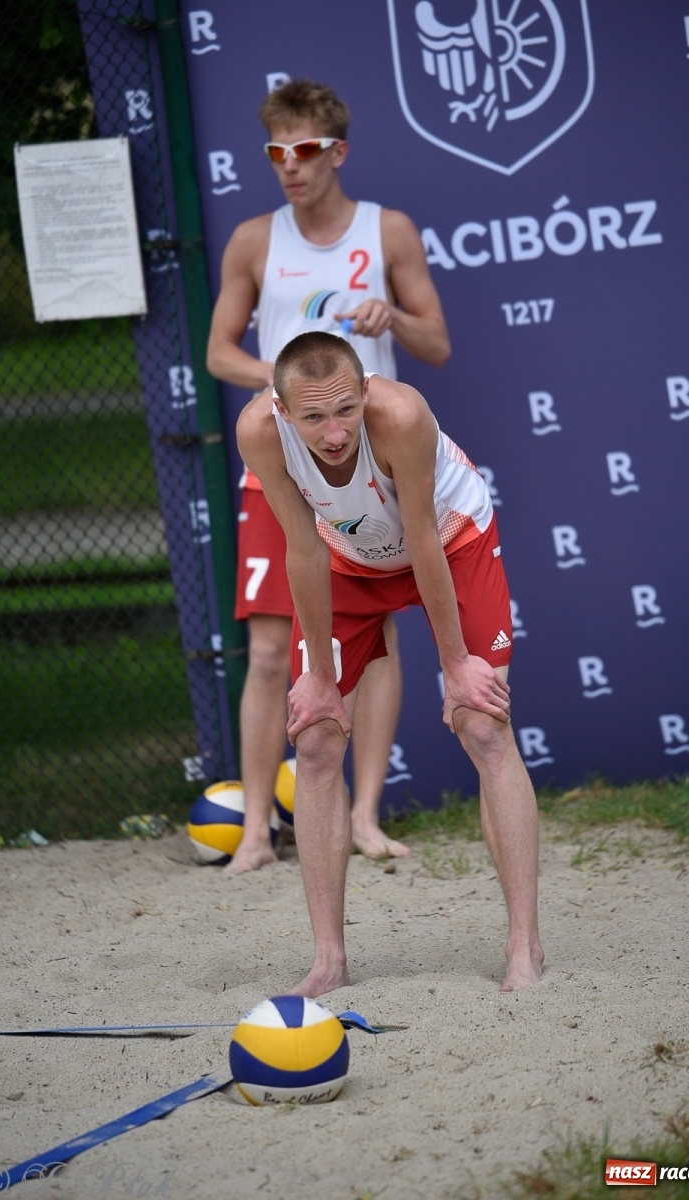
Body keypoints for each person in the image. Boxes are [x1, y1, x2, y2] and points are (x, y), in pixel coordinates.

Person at [236, 331, 544, 997]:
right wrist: (319, 677)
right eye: (313, 416)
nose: (335, 431)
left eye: (345, 409)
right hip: (346, 559)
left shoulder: (400, 415)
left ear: (366, 392)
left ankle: (524, 946)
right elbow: (303, 551)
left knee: (483, 724)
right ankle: (328, 961)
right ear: (282, 413)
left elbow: (424, 540)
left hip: (451, 539)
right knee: (315, 741)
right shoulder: (259, 433)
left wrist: (456, 662)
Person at [207, 78, 450, 872]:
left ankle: (364, 817)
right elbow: (218, 354)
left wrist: (394, 319)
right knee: (272, 650)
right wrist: (284, 389)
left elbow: (437, 344)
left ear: (337, 151)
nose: (290, 166)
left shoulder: (389, 232)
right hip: (282, 461)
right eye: (276, 152)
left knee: (375, 640)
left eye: (305, 150)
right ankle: (253, 832)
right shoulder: (252, 238)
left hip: (363, 467)